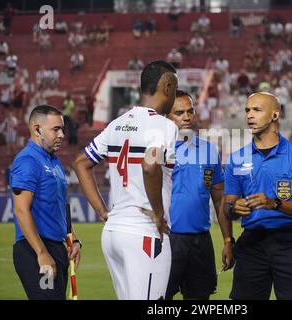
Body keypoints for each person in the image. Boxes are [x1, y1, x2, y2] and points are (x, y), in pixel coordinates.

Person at [72, 60, 178, 300]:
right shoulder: (163, 126)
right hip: (144, 232)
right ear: (168, 86)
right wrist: (159, 214)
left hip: (113, 233)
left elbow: (81, 163)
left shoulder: (117, 124)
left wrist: (101, 210)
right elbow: (150, 165)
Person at [224, 92, 292, 300]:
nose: (249, 115)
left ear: (275, 115)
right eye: (247, 110)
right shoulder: (237, 159)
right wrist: (233, 208)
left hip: (289, 242)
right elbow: (226, 207)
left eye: (256, 110)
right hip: (251, 243)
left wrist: (274, 203)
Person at [165, 90, 234, 300]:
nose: (186, 117)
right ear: (166, 117)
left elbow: (219, 199)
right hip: (167, 240)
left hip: (200, 242)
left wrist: (228, 239)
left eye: (189, 111)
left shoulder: (209, 150)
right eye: (178, 113)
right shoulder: (158, 150)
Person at [10, 105, 82, 300]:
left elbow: (58, 207)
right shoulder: (27, 161)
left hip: (57, 249)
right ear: (37, 129)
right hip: (35, 250)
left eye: (62, 129)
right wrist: (41, 253)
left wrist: (73, 238)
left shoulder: (54, 161)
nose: (61, 135)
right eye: (55, 129)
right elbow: (21, 210)